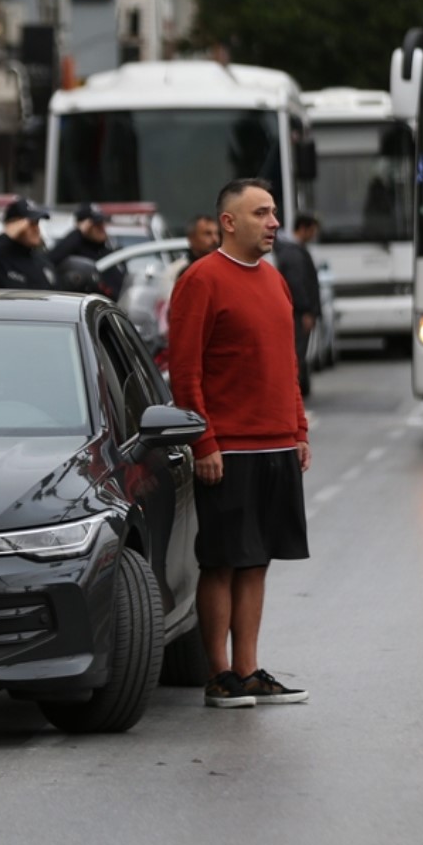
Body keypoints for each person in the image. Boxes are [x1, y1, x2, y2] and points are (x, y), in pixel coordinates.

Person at [168, 177, 311, 709]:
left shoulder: (274, 280)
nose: (274, 222)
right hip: (228, 451)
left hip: (275, 446)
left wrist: (297, 430)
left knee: (257, 560)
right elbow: (186, 371)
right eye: (262, 213)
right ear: (229, 222)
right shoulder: (201, 280)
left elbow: (287, 365)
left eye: (273, 213)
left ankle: (249, 670)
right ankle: (219, 675)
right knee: (223, 561)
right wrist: (203, 441)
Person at [273, 213, 324, 397]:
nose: (313, 235)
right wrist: (307, 311)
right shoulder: (293, 253)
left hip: (297, 312)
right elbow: (297, 284)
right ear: (303, 228)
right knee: (296, 354)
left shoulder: (291, 249)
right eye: (312, 231)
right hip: (298, 313)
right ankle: (292, 392)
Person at [0, 197, 56, 290]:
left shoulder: (42, 262)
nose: (36, 229)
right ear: (13, 227)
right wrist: (7, 235)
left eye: (37, 223)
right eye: (30, 224)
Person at [167, 213, 221, 290]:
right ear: (192, 238)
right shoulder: (185, 272)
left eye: (217, 234)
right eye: (207, 234)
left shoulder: (226, 267)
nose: (215, 239)